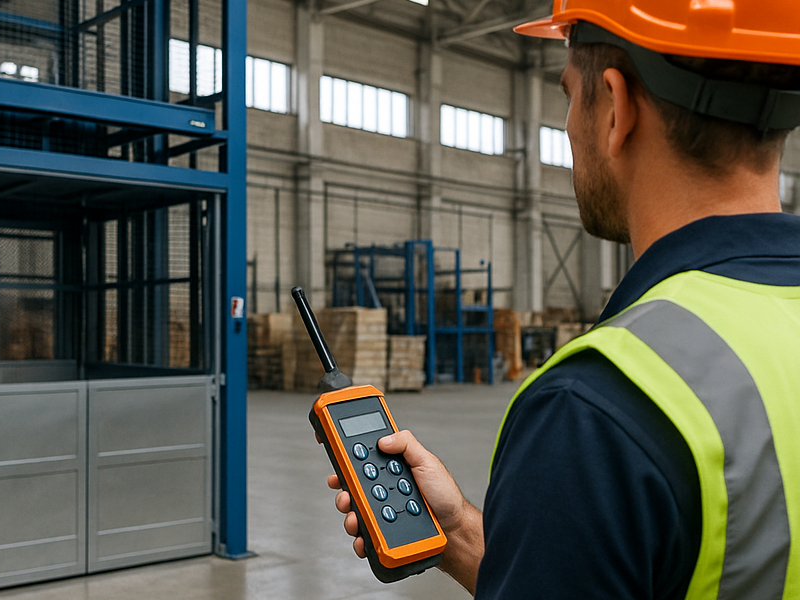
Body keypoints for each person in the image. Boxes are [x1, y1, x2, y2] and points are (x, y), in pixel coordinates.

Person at [328, 1, 800, 598]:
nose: (570, 126)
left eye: (570, 95)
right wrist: (460, 535)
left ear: (617, 107)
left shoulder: (593, 410)